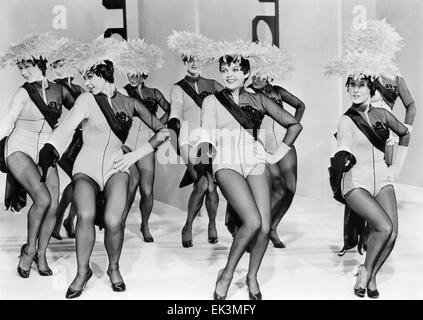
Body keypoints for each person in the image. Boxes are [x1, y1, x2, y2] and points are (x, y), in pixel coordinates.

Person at [38, 36, 170, 299]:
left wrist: (136, 156)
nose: (86, 82)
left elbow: (163, 131)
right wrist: (50, 148)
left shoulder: (130, 103)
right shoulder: (87, 99)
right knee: (85, 215)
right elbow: (66, 128)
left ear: (105, 72)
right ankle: (82, 272)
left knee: (113, 221)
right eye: (84, 77)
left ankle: (114, 268)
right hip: (85, 167)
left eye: (90, 76)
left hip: (115, 167)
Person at [196, 40, 302, 300]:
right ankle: (228, 274)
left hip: (255, 159)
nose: (229, 74)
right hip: (226, 161)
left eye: (234, 69)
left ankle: (253, 275)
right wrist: (203, 153)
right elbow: (207, 132)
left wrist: (276, 154)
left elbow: (294, 125)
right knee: (252, 221)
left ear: (246, 73)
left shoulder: (260, 99)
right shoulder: (211, 100)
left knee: (265, 227)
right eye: (224, 69)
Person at [326, 44, 410, 298]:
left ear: (372, 88)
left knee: (392, 234)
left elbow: (405, 133)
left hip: (382, 181)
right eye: (351, 84)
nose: (355, 89)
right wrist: (342, 155)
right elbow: (345, 144)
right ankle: (367, 275)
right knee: (384, 227)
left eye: (361, 84)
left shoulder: (383, 114)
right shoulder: (346, 120)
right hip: (356, 184)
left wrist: (396, 166)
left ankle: (368, 273)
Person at [0, 33, 76, 278]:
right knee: (42, 199)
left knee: (53, 204)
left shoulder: (59, 90)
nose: (23, 72)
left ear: (41, 63)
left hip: (44, 151)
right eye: (20, 67)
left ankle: (42, 252)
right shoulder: (23, 93)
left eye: (27, 66)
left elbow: (83, 110)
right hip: (19, 148)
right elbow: (8, 122)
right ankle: (29, 250)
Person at [167, 31, 224, 247]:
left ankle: (211, 224)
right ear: (184, 60)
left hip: (210, 141)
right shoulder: (178, 88)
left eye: (197, 59)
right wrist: (172, 124)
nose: (193, 63)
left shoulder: (213, 84)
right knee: (202, 184)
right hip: (188, 142)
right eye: (190, 59)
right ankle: (188, 225)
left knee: (212, 187)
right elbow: (176, 111)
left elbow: (230, 104)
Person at [119, 39, 170, 242]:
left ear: (143, 73)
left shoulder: (154, 93)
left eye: (135, 72)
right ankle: (121, 221)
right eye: (128, 72)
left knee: (147, 190)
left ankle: (145, 225)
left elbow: (171, 110)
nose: (131, 76)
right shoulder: (122, 92)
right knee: (133, 181)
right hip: (126, 143)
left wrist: (157, 128)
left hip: (146, 143)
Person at [49, 46, 86, 240]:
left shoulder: (79, 88)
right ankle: (59, 223)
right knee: (79, 182)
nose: (57, 68)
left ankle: (66, 221)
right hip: (71, 142)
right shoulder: (57, 86)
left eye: (60, 64)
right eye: (54, 65)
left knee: (79, 182)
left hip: (85, 139)